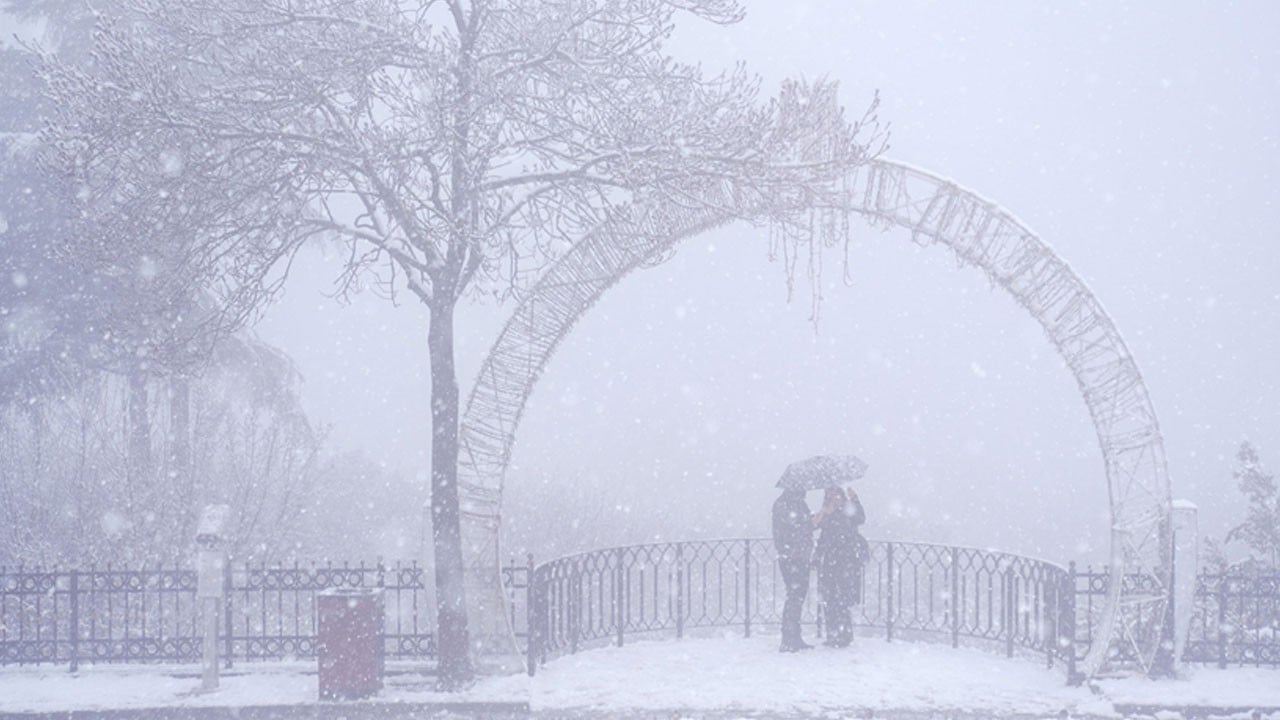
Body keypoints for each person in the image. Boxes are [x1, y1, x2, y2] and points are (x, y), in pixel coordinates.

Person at [813, 485, 867, 648]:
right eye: (831, 497)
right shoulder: (828, 513)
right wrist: (817, 555)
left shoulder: (848, 509)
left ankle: (843, 635)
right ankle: (833, 634)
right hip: (831, 561)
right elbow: (822, 533)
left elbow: (861, 519)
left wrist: (855, 500)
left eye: (837, 496)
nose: (835, 500)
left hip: (846, 561)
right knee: (830, 599)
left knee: (842, 599)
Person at [771, 486, 815, 652]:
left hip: (797, 555)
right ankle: (789, 638)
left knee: (796, 596)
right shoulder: (787, 504)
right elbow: (798, 528)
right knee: (795, 596)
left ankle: (793, 637)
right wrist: (812, 521)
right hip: (793, 557)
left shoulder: (792, 503)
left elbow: (800, 525)